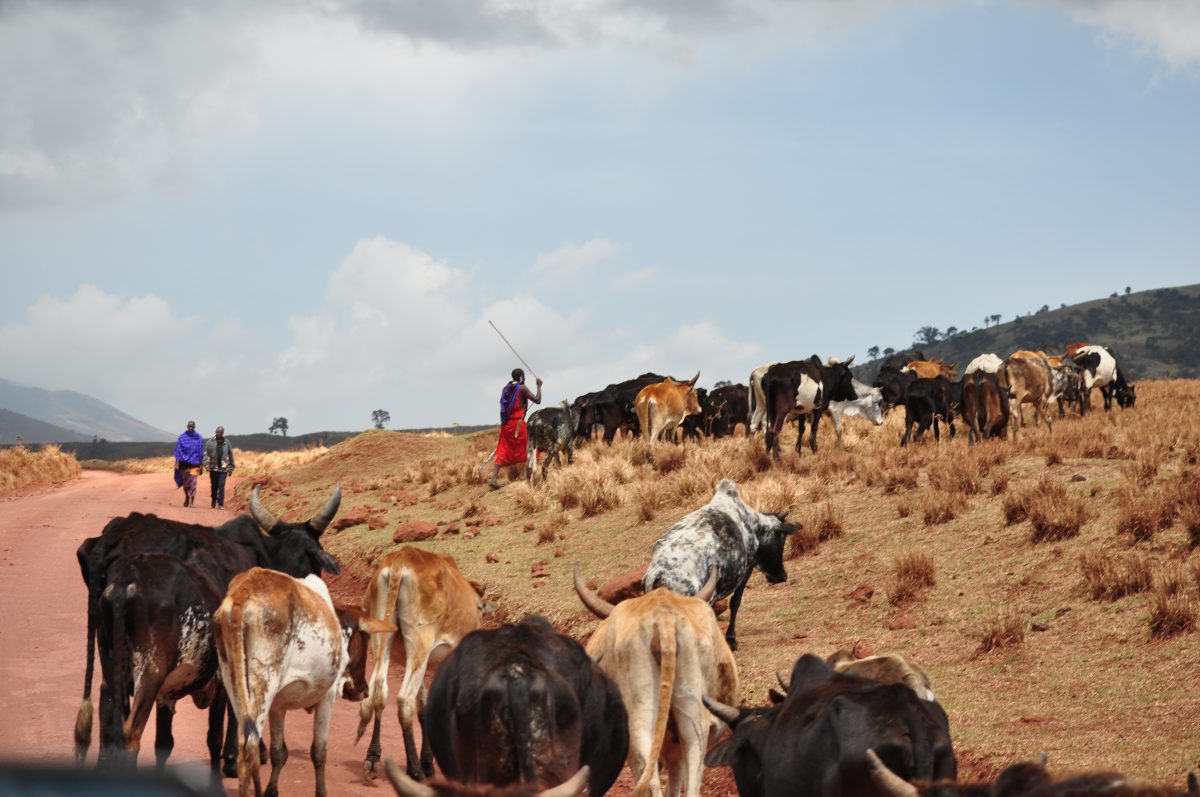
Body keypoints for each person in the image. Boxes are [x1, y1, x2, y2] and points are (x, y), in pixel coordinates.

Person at [490, 368, 542, 490]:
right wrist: (539, 386)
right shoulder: (522, 388)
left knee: (503, 449)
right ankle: (530, 479)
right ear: (520, 377)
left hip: (506, 425)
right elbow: (538, 400)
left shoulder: (506, 388)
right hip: (517, 424)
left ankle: (493, 479)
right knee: (531, 447)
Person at [173, 420, 205, 507]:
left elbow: (201, 452)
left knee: (193, 483)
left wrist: (201, 465)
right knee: (186, 483)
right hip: (184, 465)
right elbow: (178, 452)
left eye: (192, 427)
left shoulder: (199, 438)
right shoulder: (182, 438)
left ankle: (192, 501)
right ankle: (187, 496)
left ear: (194, 427)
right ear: (187, 427)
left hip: (195, 465)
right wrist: (177, 464)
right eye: (189, 427)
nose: (190, 428)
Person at [203, 425, 235, 509]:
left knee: (221, 486)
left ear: (223, 433)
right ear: (215, 432)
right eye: (217, 432)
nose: (218, 433)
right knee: (214, 486)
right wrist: (206, 464)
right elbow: (206, 454)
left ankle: (221, 504)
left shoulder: (227, 443)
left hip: (223, 469)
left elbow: (231, 455)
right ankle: (213, 500)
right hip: (213, 468)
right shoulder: (210, 442)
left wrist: (231, 467)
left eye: (220, 432)